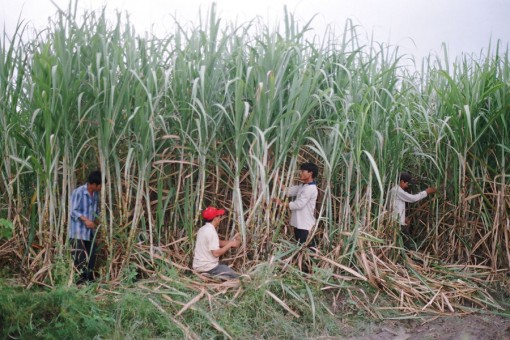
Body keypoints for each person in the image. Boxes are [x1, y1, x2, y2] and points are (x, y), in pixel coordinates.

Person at [69, 170, 102, 284]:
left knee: (92, 256)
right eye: (101, 184)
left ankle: (90, 281)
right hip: (78, 232)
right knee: (80, 258)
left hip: (90, 232)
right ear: (94, 184)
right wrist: (86, 220)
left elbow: (96, 210)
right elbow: (73, 211)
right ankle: (80, 284)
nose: (102, 187)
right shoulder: (78, 192)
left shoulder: (96, 195)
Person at [274, 162, 319, 245]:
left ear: (310, 173)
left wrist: (282, 203)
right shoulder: (303, 186)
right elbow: (288, 191)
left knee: (306, 248)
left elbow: (299, 204)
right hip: (299, 223)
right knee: (299, 246)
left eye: (303, 171)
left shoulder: (310, 188)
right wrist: (277, 180)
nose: (300, 173)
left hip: (305, 225)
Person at [192, 207, 241, 279]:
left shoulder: (203, 229)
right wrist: (230, 244)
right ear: (215, 218)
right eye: (219, 216)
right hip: (207, 268)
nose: (220, 219)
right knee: (236, 277)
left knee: (225, 265)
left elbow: (216, 243)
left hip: (198, 265)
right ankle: (212, 276)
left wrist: (232, 242)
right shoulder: (211, 232)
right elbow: (216, 253)